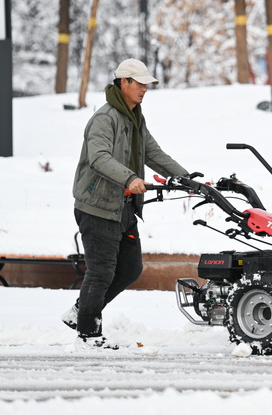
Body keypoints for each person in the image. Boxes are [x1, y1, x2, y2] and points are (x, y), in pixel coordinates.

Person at [63, 58, 188, 349]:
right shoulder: (105, 118)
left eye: (147, 84)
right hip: (97, 207)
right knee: (102, 271)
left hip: (123, 208)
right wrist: (130, 178)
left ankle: (81, 311)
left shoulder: (135, 118)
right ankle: (88, 333)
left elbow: (153, 153)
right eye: (140, 83)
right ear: (124, 83)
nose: (145, 89)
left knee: (130, 268)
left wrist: (186, 178)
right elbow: (99, 157)